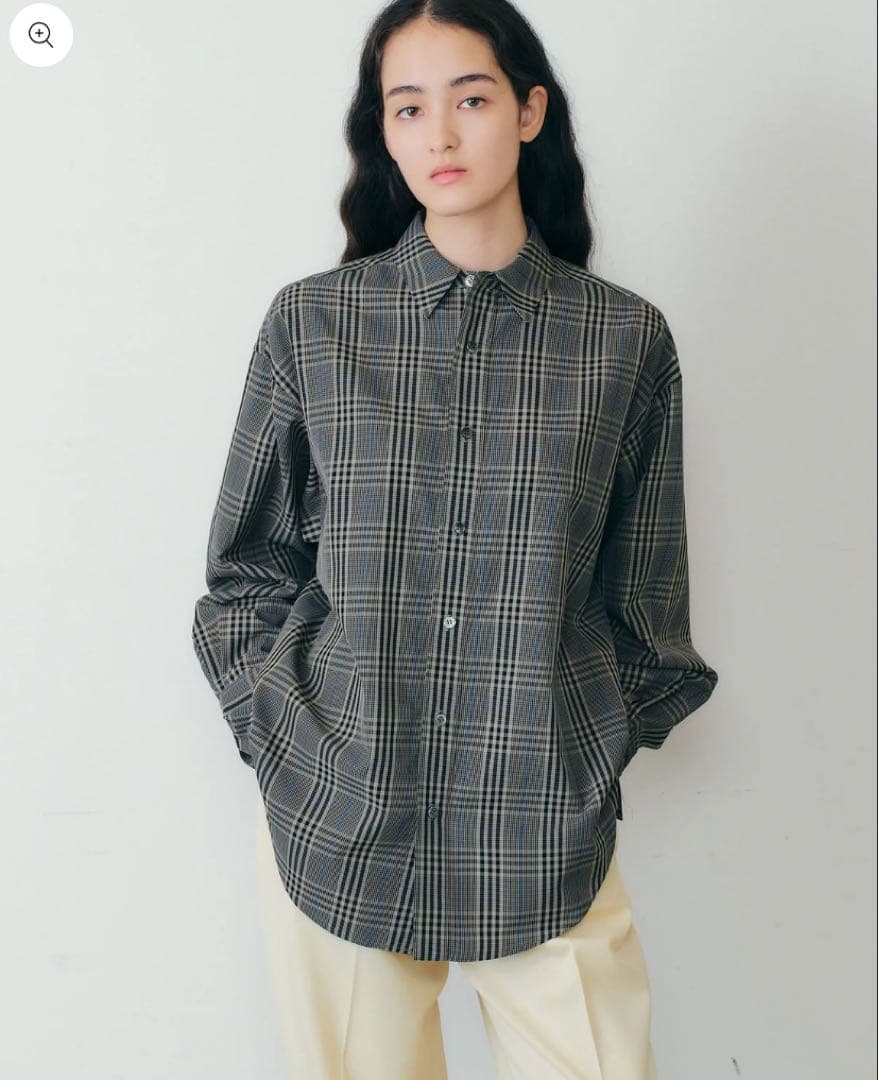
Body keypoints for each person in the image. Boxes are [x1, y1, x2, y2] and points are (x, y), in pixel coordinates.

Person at [191, 1, 719, 1076]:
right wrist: (286, 737)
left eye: (470, 99)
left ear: (528, 111)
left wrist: (583, 751)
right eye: (407, 108)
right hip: (339, 814)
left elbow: (648, 604)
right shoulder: (312, 325)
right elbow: (247, 572)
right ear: (382, 133)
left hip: (543, 825)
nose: (438, 134)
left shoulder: (624, 341)